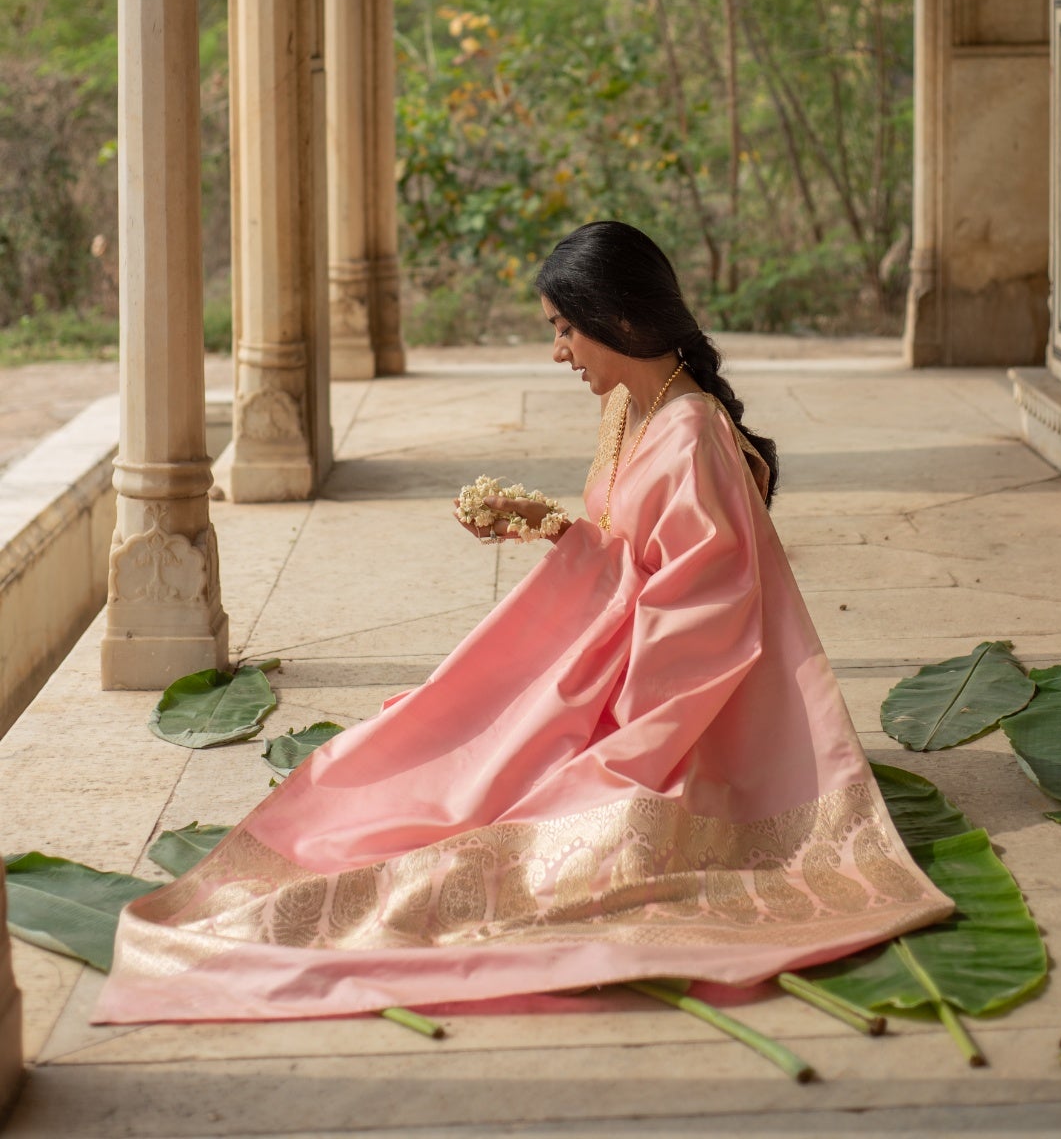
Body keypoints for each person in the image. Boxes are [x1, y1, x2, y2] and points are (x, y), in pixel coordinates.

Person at [95, 221, 951, 1025]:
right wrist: (546, 527)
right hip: (610, 656)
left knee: (517, 819)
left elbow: (709, 609)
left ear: (619, 316)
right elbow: (628, 549)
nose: (559, 352)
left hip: (670, 701)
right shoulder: (628, 408)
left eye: (566, 330)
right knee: (439, 739)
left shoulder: (693, 436)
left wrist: (592, 690)